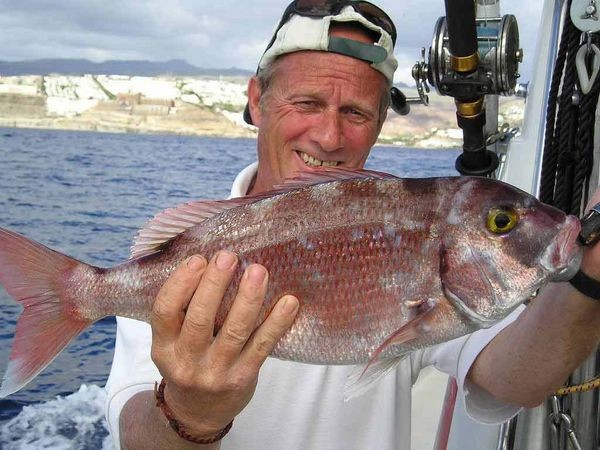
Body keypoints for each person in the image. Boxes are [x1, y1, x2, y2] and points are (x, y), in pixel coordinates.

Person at [105, 1, 600, 449]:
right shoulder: (182, 264)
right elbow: (135, 438)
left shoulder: (422, 241)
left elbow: (518, 379)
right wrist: (192, 413)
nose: (328, 136)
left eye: (355, 112)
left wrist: (590, 277)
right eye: (307, 103)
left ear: (380, 123)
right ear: (257, 101)